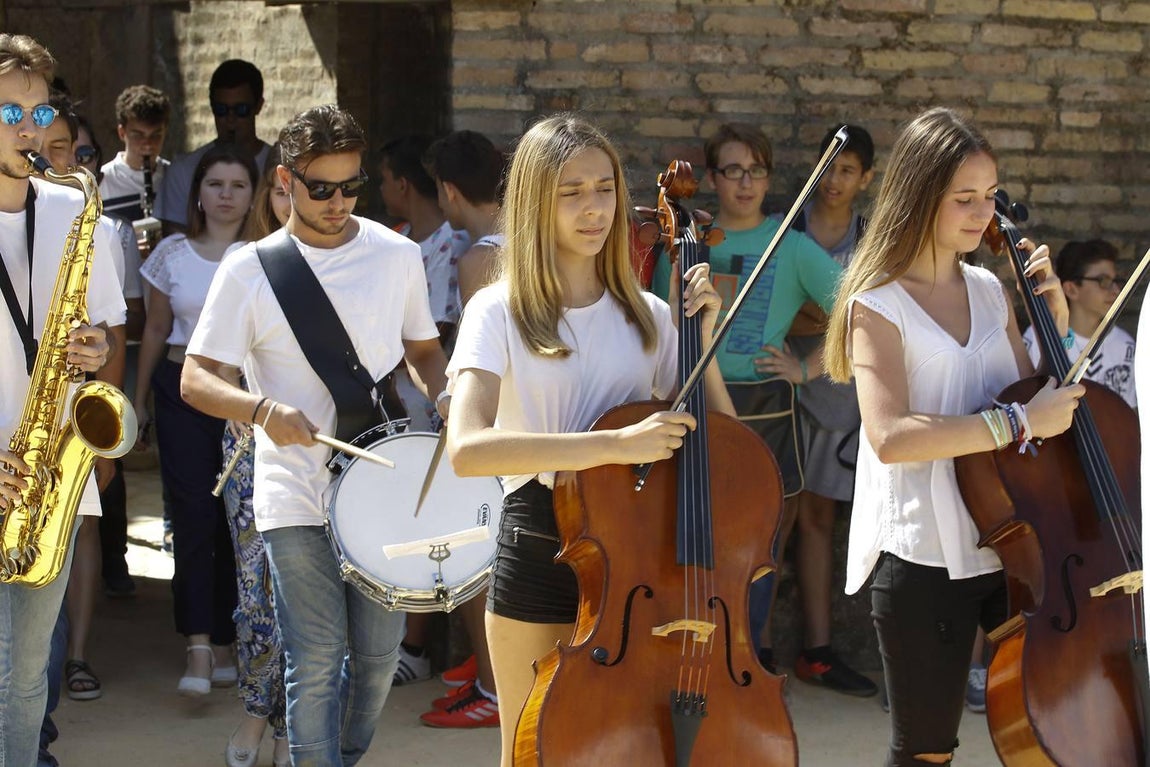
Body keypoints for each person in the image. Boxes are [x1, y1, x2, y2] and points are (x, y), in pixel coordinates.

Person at [445, 113, 733, 767]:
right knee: (530, 754)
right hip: (540, 542)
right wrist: (612, 446)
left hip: (641, 558)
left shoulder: (650, 316)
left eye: (605, 188)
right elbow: (467, 448)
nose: (595, 208)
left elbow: (724, 445)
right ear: (534, 203)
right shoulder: (498, 310)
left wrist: (702, 340)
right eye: (571, 192)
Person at [181, 104, 450, 766]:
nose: (338, 202)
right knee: (316, 652)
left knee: (378, 656)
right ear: (286, 180)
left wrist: (448, 396)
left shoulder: (396, 255)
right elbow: (196, 378)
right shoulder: (249, 269)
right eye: (322, 187)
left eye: (351, 185)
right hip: (291, 487)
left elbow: (422, 349)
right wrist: (261, 409)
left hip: (380, 480)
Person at [823, 106, 1084, 765]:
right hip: (924, 555)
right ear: (919, 196)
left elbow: (1028, 401)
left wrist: (1054, 326)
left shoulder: (990, 289)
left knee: (1048, 732)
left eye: (990, 195)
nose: (983, 213)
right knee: (926, 751)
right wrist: (1017, 422)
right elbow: (891, 435)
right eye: (963, 198)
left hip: (1010, 539)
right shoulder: (876, 303)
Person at [650, 122, 843, 675]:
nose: (746, 183)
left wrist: (806, 368)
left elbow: (862, 313)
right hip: (694, 402)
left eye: (757, 171)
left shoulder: (792, 246)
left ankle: (749, 656)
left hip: (767, 407)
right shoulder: (682, 245)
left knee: (762, 546)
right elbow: (660, 327)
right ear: (712, 178)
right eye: (733, 170)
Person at [0, 32, 124, 765]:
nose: (31, 129)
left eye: (40, 112)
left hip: (46, 472)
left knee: (24, 676)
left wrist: (95, 350)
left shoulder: (78, 211)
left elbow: (103, 328)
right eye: (10, 113)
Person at [136, 145, 257, 696]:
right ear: (198, 194)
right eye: (215, 184)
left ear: (254, 195)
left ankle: (230, 639)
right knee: (191, 514)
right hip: (180, 388)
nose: (226, 195)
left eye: (238, 185)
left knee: (238, 517)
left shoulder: (263, 254)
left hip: (244, 395)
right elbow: (155, 329)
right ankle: (199, 643)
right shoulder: (171, 252)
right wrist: (138, 399)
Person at [776, 124, 878, 697]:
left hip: (841, 397)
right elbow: (772, 310)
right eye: (828, 166)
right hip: (778, 392)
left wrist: (817, 316)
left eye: (848, 170)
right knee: (776, 520)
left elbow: (867, 320)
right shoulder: (785, 229)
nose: (834, 179)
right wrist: (825, 314)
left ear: (865, 178)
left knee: (821, 520)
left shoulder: (872, 240)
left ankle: (818, 652)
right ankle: (757, 649)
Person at [415, 128, 506, 727]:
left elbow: (479, 355)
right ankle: (490, 668)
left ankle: (494, 690)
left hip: (491, 420)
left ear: (449, 191)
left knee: (475, 558)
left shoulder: (480, 258)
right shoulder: (532, 238)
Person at [377, 134, 470, 687]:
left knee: (431, 525)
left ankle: (415, 647)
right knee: (401, 522)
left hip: (434, 406)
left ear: (404, 184)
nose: (380, 189)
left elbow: (436, 332)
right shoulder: (399, 239)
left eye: (384, 179)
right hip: (397, 408)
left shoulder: (450, 246)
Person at [220, 146, 290, 767]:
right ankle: (254, 711)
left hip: (331, 447)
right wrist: (247, 407)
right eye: (283, 190)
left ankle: (295, 722)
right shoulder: (244, 263)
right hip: (251, 442)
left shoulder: (365, 260)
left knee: (311, 596)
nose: (295, 204)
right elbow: (211, 366)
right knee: (255, 590)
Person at [154, 59, 270, 234]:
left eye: (241, 110)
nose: (230, 119)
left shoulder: (276, 166)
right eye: (221, 110)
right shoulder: (183, 169)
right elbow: (173, 239)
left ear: (258, 106)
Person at [1023, 239, 1136, 410]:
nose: (1116, 291)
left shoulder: (1125, 345)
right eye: (1103, 281)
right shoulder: (1037, 337)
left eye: (1115, 281)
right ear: (1071, 289)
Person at [427, 129, 505, 306]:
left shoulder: (477, 261)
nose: (439, 203)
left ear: (449, 190)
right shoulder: (531, 237)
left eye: (438, 190)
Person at [99, 84, 170, 227]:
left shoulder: (176, 177)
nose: (148, 144)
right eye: (138, 135)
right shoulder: (102, 182)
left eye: (156, 135)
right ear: (122, 133)